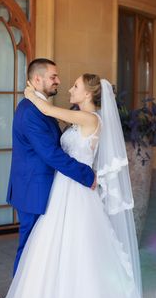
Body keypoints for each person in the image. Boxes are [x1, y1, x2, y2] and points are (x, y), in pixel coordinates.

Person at [1, 73, 145, 298]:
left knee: (77, 243)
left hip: (77, 190)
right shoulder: (79, 119)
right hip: (63, 186)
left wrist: (28, 94)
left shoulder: (90, 119)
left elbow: (48, 111)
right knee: (53, 243)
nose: (69, 89)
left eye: (75, 86)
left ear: (88, 93)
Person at [6, 59, 96, 276]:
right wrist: (87, 175)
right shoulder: (31, 111)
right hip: (33, 190)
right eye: (53, 77)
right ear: (37, 79)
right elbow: (50, 154)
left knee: (43, 251)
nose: (59, 81)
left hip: (48, 189)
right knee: (29, 250)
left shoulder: (41, 107)